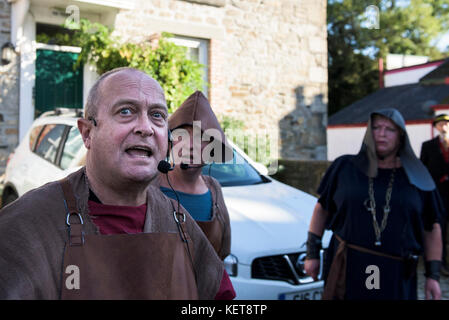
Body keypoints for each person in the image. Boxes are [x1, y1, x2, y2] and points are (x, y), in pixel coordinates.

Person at [0, 67, 235, 300]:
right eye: (125, 111)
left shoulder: (179, 221)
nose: (145, 128)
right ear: (87, 133)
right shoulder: (26, 225)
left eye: (157, 115)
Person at [305, 108, 444, 300]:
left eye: (390, 129)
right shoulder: (344, 167)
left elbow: (431, 227)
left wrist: (433, 276)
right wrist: (312, 253)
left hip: (395, 270)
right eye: (376, 127)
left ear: (401, 136)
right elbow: (322, 209)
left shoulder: (417, 177)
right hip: (348, 264)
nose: (382, 134)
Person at [156, 91, 232, 261]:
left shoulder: (214, 190)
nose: (190, 146)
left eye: (200, 138)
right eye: (182, 136)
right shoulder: (146, 186)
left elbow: (223, 252)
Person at [420, 114, 449, 276]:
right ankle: (441, 264)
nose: (444, 127)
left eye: (446, 123)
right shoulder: (428, 146)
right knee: (439, 229)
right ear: (436, 127)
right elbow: (422, 170)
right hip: (437, 195)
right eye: (440, 124)